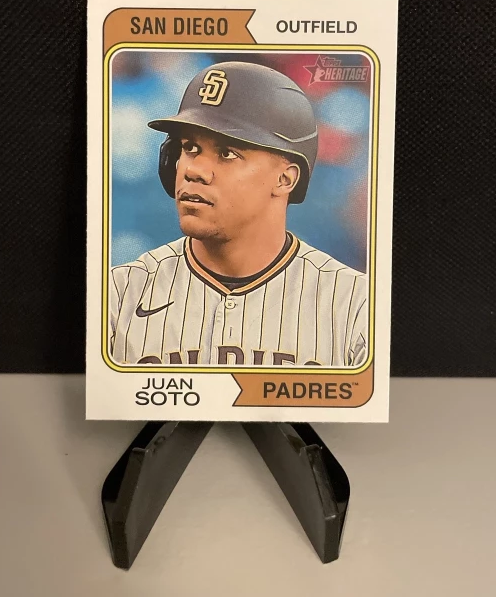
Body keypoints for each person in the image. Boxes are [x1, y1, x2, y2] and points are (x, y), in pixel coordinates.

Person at [109, 61, 367, 368]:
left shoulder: (354, 304)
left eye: (227, 153)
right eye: (190, 148)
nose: (193, 170)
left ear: (285, 179)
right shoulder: (119, 294)